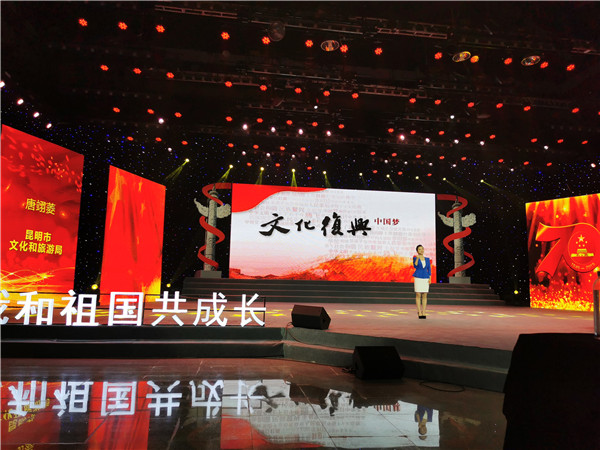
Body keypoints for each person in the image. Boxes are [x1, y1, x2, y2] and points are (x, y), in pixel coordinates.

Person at [413, 244, 431, 319]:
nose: (421, 250)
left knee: (425, 295)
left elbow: (429, 269)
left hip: (425, 277)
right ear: (417, 251)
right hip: (418, 277)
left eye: (422, 249)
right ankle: (419, 312)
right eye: (420, 249)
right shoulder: (415, 258)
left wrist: (430, 278)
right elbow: (415, 266)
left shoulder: (427, 259)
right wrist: (417, 259)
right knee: (418, 294)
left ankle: (424, 311)